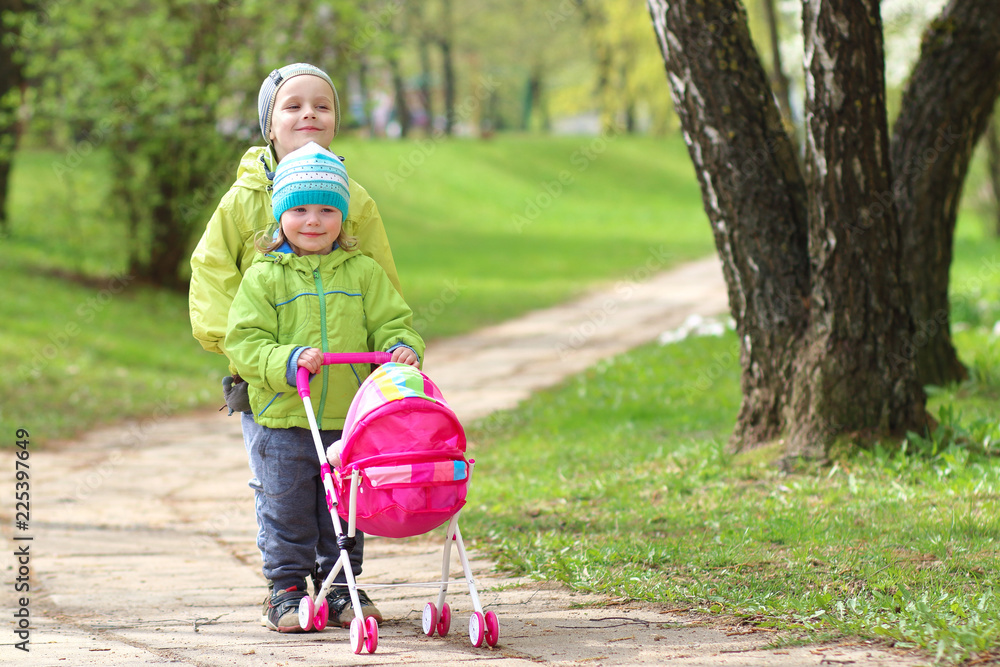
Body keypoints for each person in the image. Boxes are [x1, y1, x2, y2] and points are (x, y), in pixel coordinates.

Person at [188, 63, 403, 628]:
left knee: (344, 493)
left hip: (343, 385)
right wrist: (245, 354)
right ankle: (285, 587)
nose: (308, 114)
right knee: (283, 491)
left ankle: (339, 587)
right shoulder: (243, 201)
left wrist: (390, 347)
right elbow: (214, 273)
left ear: (335, 122)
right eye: (292, 105)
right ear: (269, 125)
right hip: (271, 378)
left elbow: (378, 277)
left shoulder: (353, 198)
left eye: (322, 106)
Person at [224, 141, 424, 632]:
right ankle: (286, 588)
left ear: (343, 217)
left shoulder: (362, 272)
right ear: (280, 215)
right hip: (284, 416)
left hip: (350, 418)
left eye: (327, 209)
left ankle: (341, 585)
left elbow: (392, 321)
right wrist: (286, 359)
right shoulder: (264, 277)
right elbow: (244, 341)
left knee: (347, 506)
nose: (313, 220)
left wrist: (400, 347)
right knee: (287, 506)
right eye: (300, 209)